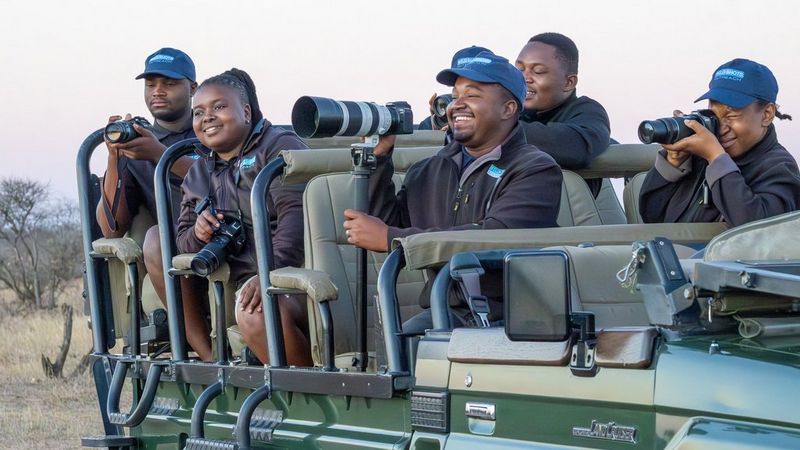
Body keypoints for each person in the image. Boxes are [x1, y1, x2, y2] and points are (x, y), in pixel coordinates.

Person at [343, 52, 562, 330]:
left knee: (413, 348)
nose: (457, 105)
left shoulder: (536, 169)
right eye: (455, 95)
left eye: (472, 95)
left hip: (515, 318)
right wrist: (377, 159)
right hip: (445, 311)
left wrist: (393, 239)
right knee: (401, 344)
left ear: (508, 109)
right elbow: (383, 223)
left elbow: (499, 237)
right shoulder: (427, 170)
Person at [175, 68, 312, 366]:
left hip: (299, 274)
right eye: (198, 112)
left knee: (255, 308)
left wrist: (266, 273)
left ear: (246, 112)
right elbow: (182, 241)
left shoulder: (278, 147)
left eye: (219, 107)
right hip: (244, 284)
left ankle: (313, 400)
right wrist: (199, 233)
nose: (207, 117)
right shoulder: (199, 172)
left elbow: (297, 215)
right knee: (251, 306)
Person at [95, 48, 213, 360]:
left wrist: (161, 156)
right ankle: (206, 355)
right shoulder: (138, 142)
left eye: (169, 83)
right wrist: (114, 158)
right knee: (156, 238)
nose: (158, 91)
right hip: (175, 247)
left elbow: (225, 180)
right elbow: (110, 226)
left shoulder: (211, 128)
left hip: (217, 230)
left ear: (192, 88)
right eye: (150, 84)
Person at [639, 58, 800, 228]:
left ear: (767, 114)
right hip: (677, 251)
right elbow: (652, 218)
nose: (721, 128)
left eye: (731, 116)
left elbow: (758, 232)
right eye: (714, 115)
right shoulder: (701, 157)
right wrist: (673, 164)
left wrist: (717, 159)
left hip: (715, 254)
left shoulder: (779, 167)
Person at [515, 33, 611, 195]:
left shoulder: (588, 111)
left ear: (569, 82)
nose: (525, 78)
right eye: (519, 69)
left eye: (538, 71)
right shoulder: (511, 110)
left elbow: (577, 147)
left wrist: (494, 129)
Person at [418, 45, 492, 131]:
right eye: (455, 96)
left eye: (471, 95)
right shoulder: (430, 125)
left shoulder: (506, 126)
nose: (459, 104)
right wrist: (441, 138)